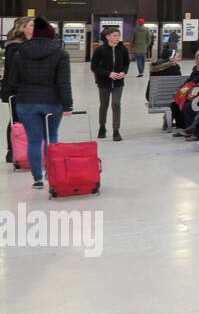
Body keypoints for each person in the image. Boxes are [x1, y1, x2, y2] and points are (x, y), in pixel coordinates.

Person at [2, 17, 73, 188]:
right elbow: (63, 82)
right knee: (52, 137)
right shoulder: (60, 54)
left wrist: (8, 94)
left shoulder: (20, 52)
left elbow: (13, 80)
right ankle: (52, 172)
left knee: (34, 140)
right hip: (52, 101)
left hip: (26, 102)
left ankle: (37, 179)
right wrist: (67, 104)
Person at [3, 17, 35, 164]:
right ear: (23, 28)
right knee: (16, 119)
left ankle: (26, 148)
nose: (35, 27)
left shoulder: (33, 43)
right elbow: (12, 71)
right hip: (16, 89)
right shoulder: (14, 46)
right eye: (32, 24)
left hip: (31, 89)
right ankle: (12, 150)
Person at [90, 26, 129, 141]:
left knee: (116, 104)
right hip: (104, 82)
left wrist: (123, 72)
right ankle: (102, 127)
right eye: (115, 36)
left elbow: (127, 63)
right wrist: (108, 74)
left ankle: (116, 130)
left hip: (118, 82)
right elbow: (94, 67)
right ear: (108, 37)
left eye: (118, 35)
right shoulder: (100, 50)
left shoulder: (123, 49)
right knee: (104, 105)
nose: (118, 38)